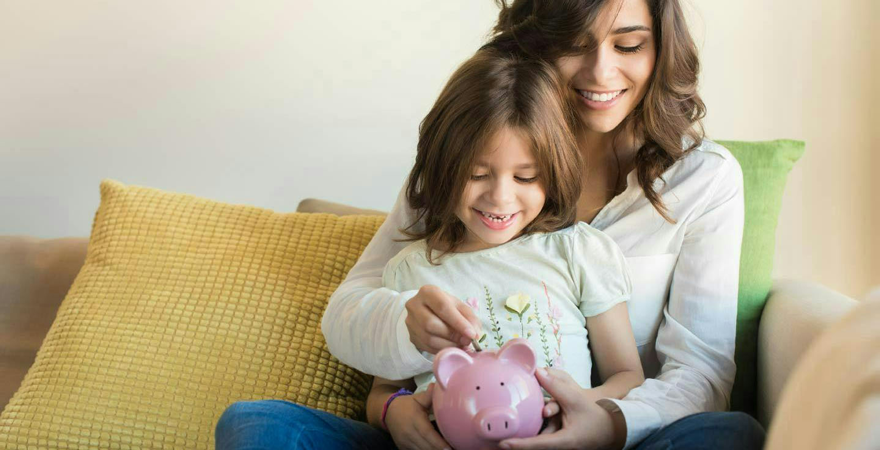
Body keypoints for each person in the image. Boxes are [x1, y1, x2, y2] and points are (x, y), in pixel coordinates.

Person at [218, 0, 767, 448]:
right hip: (446, 434)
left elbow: (699, 375)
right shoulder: (462, 168)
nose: (602, 71)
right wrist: (398, 386)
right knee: (259, 427)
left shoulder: (704, 181)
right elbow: (350, 314)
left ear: (661, 47)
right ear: (536, 40)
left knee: (728, 436)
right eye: (576, 42)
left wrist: (609, 423)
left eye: (629, 45)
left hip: (609, 437)